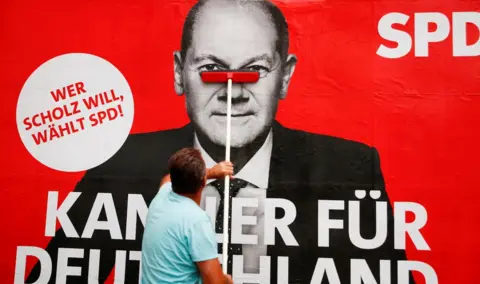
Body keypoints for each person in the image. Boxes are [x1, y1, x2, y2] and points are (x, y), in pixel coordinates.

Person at [28, 0, 415, 283]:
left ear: (285, 77)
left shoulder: (351, 169)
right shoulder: (119, 163)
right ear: (181, 73)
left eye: (255, 70)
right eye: (212, 69)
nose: (233, 91)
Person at [141, 148, 233, 284]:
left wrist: (211, 172)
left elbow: (167, 178)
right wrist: (226, 281)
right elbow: (215, 282)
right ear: (203, 182)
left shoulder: (162, 195)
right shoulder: (196, 220)